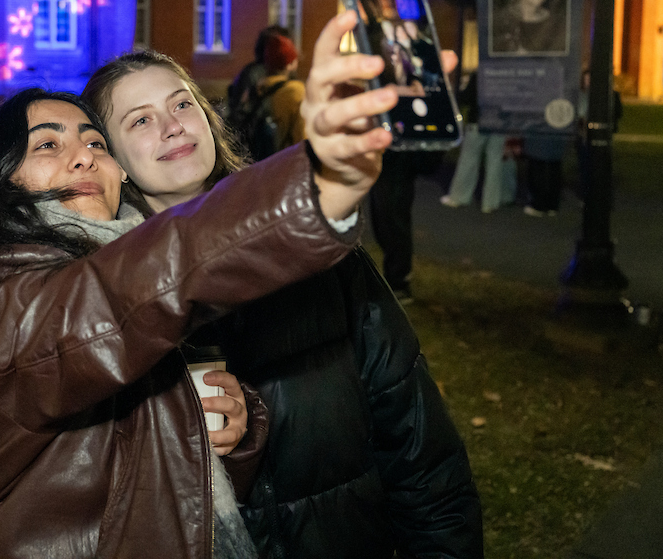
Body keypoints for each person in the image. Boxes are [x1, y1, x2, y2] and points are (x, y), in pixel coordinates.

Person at [0, 11, 393, 558]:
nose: (82, 155)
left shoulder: (132, 269)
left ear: (119, 171)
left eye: (95, 142)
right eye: (47, 146)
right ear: (0, 181)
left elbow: (156, 499)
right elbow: (104, 303)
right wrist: (309, 186)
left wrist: (238, 430)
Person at [82, 39, 481, 559]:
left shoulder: (317, 249)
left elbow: (418, 445)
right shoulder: (105, 298)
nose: (173, 125)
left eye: (182, 103)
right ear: (115, 161)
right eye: (140, 120)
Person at [441, 70, 509, 213]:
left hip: (478, 120)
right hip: (500, 122)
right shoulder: (507, 73)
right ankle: (490, 202)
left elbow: (467, 97)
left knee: (469, 159)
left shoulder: (480, 73)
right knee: (494, 161)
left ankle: (459, 197)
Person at [254, 33, 306, 153]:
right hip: (286, 165)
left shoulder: (258, 89)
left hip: (260, 166)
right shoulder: (296, 91)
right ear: (290, 64)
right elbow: (302, 138)